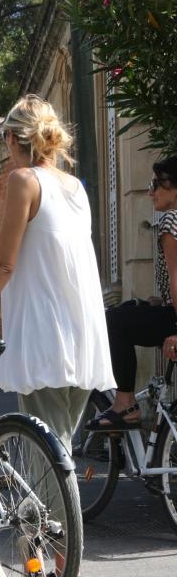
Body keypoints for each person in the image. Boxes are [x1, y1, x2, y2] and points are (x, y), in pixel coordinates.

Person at [0, 95, 116, 577]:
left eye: (4, 146)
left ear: (14, 142)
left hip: (45, 337)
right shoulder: (74, 186)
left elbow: (3, 265)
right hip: (83, 335)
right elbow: (55, 262)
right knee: (57, 452)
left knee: (44, 461)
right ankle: (62, 567)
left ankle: (57, 574)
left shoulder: (23, 181)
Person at [95, 156, 177, 428]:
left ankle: (125, 403)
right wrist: (161, 300)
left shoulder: (170, 222)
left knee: (114, 322)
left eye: (156, 184)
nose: (150, 191)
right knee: (130, 311)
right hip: (169, 308)